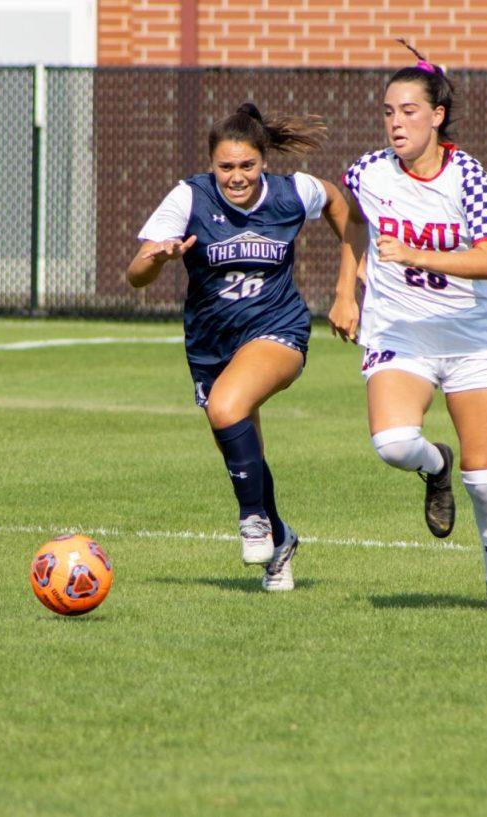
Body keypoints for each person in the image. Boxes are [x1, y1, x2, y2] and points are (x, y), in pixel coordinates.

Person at [328, 41, 487, 609]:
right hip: (399, 333)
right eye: (388, 112)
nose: (395, 123)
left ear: (437, 116)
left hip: (470, 338)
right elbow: (353, 221)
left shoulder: (466, 176)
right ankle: (435, 465)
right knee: (392, 444)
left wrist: (417, 255)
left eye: (409, 111)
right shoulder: (368, 170)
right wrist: (346, 291)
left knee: (485, 481)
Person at [127, 102, 347, 592]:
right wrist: (157, 259)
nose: (237, 176)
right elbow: (135, 275)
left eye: (247, 165)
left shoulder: (293, 192)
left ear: (263, 161)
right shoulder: (189, 197)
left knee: (227, 407)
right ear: (212, 165)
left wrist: (349, 288)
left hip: (278, 328)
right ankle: (280, 539)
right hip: (211, 344)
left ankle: (251, 521)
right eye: (226, 167)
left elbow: (339, 205)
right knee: (241, 447)